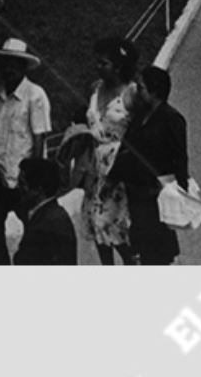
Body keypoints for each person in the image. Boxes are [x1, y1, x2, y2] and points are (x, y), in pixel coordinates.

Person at [107, 66, 188, 266]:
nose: (138, 91)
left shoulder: (171, 119)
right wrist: (114, 175)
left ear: (154, 92)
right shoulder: (140, 116)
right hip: (136, 190)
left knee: (156, 247)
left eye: (142, 88)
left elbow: (180, 158)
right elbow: (127, 147)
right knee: (141, 244)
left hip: (156, 193)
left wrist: (180, 190)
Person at [0, 38, 52, 265]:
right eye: (4, 64)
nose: (8, 69)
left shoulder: (35, 95)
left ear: (23, 67)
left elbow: (39, 136)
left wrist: (35, 178)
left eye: (14, 64)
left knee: (34, 231)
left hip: (22, 179)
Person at [84, 37, 140, 265]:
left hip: (120, 170)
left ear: (118, 66)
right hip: (97, 167)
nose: (98, 67)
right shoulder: (96, 89)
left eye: (103, 63)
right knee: (98, 227)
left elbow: (138, 133)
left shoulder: (132, 92)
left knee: (118, 232)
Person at [12, 157, 78, 266]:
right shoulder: (53, 214)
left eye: (23, 184)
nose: (19, 188)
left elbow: (22, 261)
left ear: (38, 190)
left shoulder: (43, 228)